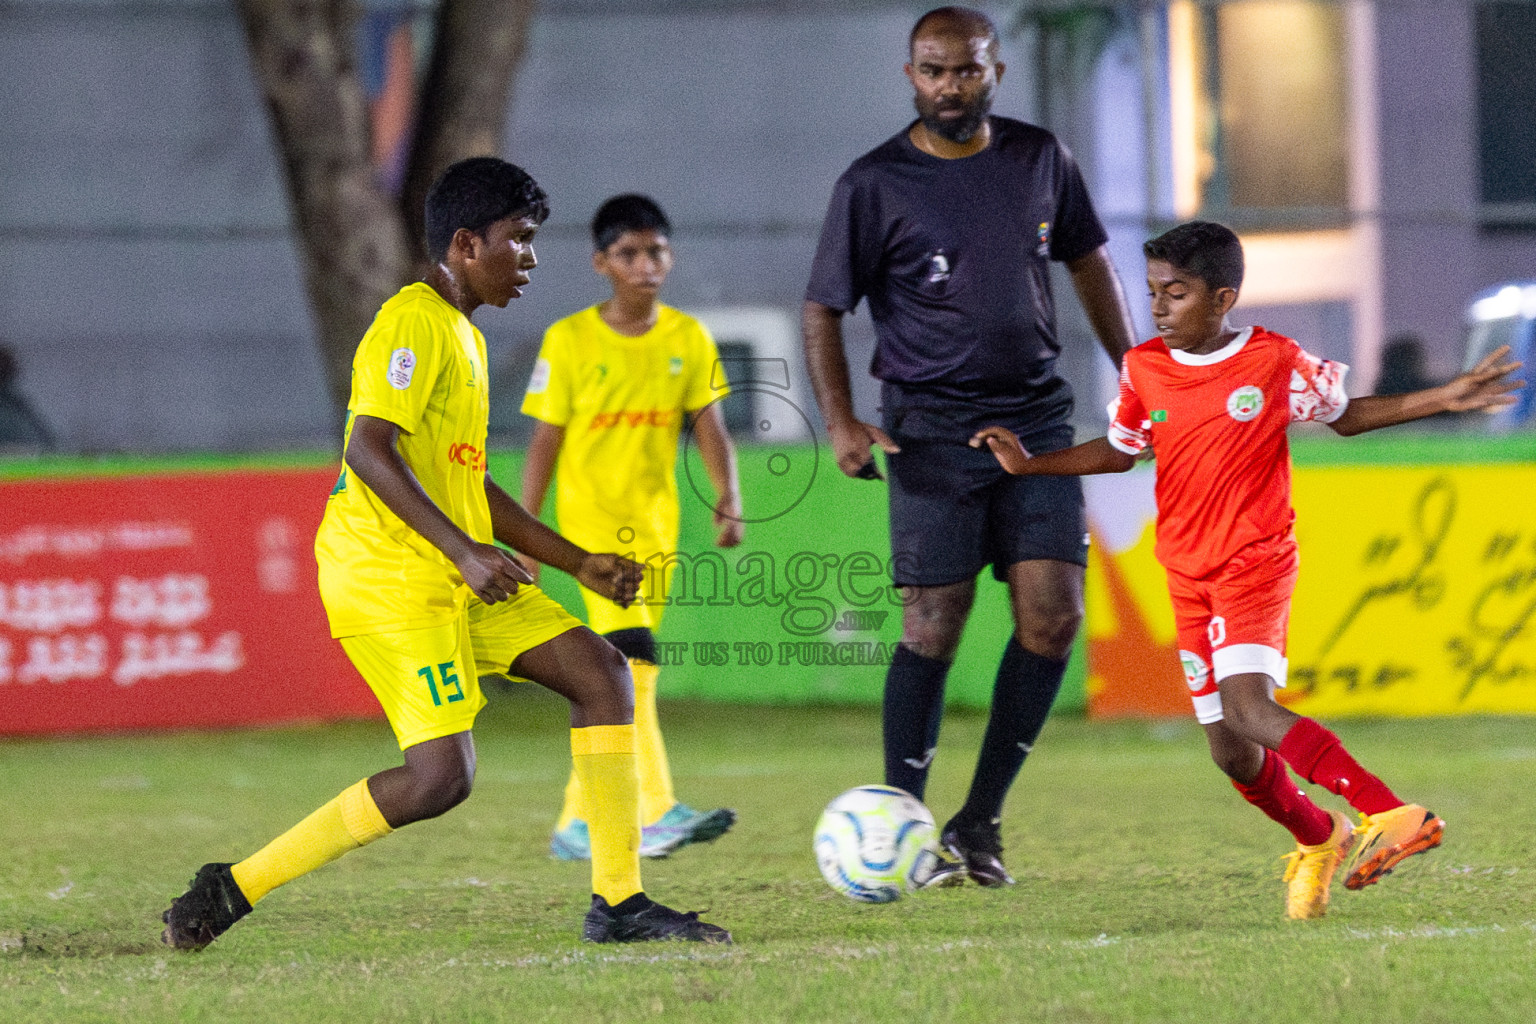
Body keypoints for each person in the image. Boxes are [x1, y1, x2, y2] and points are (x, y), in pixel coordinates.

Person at [160, 158, 729, 948]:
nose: (530, 260)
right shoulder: (411, 324)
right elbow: (366, 448)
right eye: (519, 242)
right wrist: (464, 553)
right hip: (390, 579)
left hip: (452, 570)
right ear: (465, 244)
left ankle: (620, 904)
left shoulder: (462, 333)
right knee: (440, 781)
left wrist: (576, 561)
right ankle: (233, 888)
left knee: (601, 675)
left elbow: (470, 483)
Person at [971, 220, 1522, 918]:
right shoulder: (1145, 368)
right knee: (1231, 752)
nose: (1160, 307)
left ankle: (1392, 813)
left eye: (1177, 293)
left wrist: (1443, 396)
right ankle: (1322, 836)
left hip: (1254, 562)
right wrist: (1031, 464)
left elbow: (1346, 417)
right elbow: (1121, 449)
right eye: (1153, 293)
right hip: (1187, 574)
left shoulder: (1272, 361)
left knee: (1249, 708)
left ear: (1222, 298)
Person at [801, 5, 1138, 886]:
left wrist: (1141, 373)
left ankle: (979, 824)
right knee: (932, 628)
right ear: (911, 76)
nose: (952, 85)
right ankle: (898, 826)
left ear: (997, 72)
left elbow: (1090, 261)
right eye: (934, 70)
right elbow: (822, 309)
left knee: (1054, 616)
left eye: (969, 69)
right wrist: (840, 419)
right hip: (928, 434)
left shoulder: (1040, 159)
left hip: (1036, 421)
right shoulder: (872, 184)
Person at [520, 194, 742, 861]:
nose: (645, 264)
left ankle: (574, 820)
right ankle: (656, 809)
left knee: (625, 673)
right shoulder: (569, 340)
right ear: (601, 263)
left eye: (656, 251)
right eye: (629, 253)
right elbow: (543, 445)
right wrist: (530, 538)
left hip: (656, 532)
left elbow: (712, 428)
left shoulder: (688, 338)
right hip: (590, 534)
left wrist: (728, 496)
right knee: (634, 662)